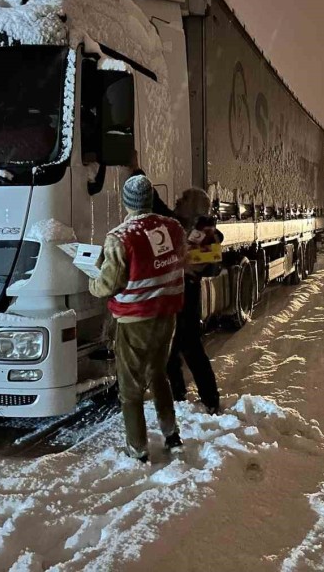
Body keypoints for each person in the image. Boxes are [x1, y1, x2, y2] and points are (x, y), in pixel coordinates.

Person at [89, 174, 188, 462]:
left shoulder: (120, 237)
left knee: (130, 388)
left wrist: (93, 282)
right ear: (151, 199)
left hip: (135, 320)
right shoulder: (173, 228)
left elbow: (108, 284)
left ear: (126, 202)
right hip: (166, 315)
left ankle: (138, 449)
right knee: (158, 374)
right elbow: (175, 260)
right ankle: (172, 435)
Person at [167, 187, 222, 415]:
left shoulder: (206, 232)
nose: (178, 200)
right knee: (171, 348)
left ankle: (211, 399)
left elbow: (206, 266)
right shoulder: (177, 222)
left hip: (188, 295)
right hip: (174, 293)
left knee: (191, 348)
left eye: (184, 198)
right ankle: (178, 396)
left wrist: (186, 264)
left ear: (195, 207)